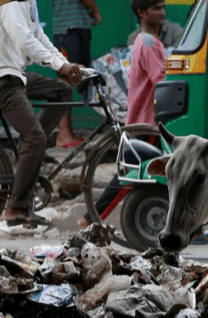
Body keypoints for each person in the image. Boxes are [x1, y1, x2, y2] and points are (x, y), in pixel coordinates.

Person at [0, 0, 83, 226]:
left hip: (16, 74)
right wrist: (59, 65)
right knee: (35, 138)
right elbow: (23, 39)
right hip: (0, 78)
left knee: (63, 91)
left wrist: (64, 63)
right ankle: (15, 208)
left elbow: (38, 36)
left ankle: (32, 148)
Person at [79, 0, 168, 228]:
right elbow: (162, 81)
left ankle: (90, 219)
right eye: (156, 8)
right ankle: (91, 220)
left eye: (163, 7)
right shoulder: (148, 43)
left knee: (134, 174)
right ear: (141, 13)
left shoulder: (147, 41)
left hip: (144, 119)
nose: (162, 12)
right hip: (147, 120)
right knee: (127, 176)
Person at [52, 0, 102, 148]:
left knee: (73, 78)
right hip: (68, 28)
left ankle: (67, 133)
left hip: (76, 26)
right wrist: (95, 11)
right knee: (65, 79)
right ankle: (63, 135)